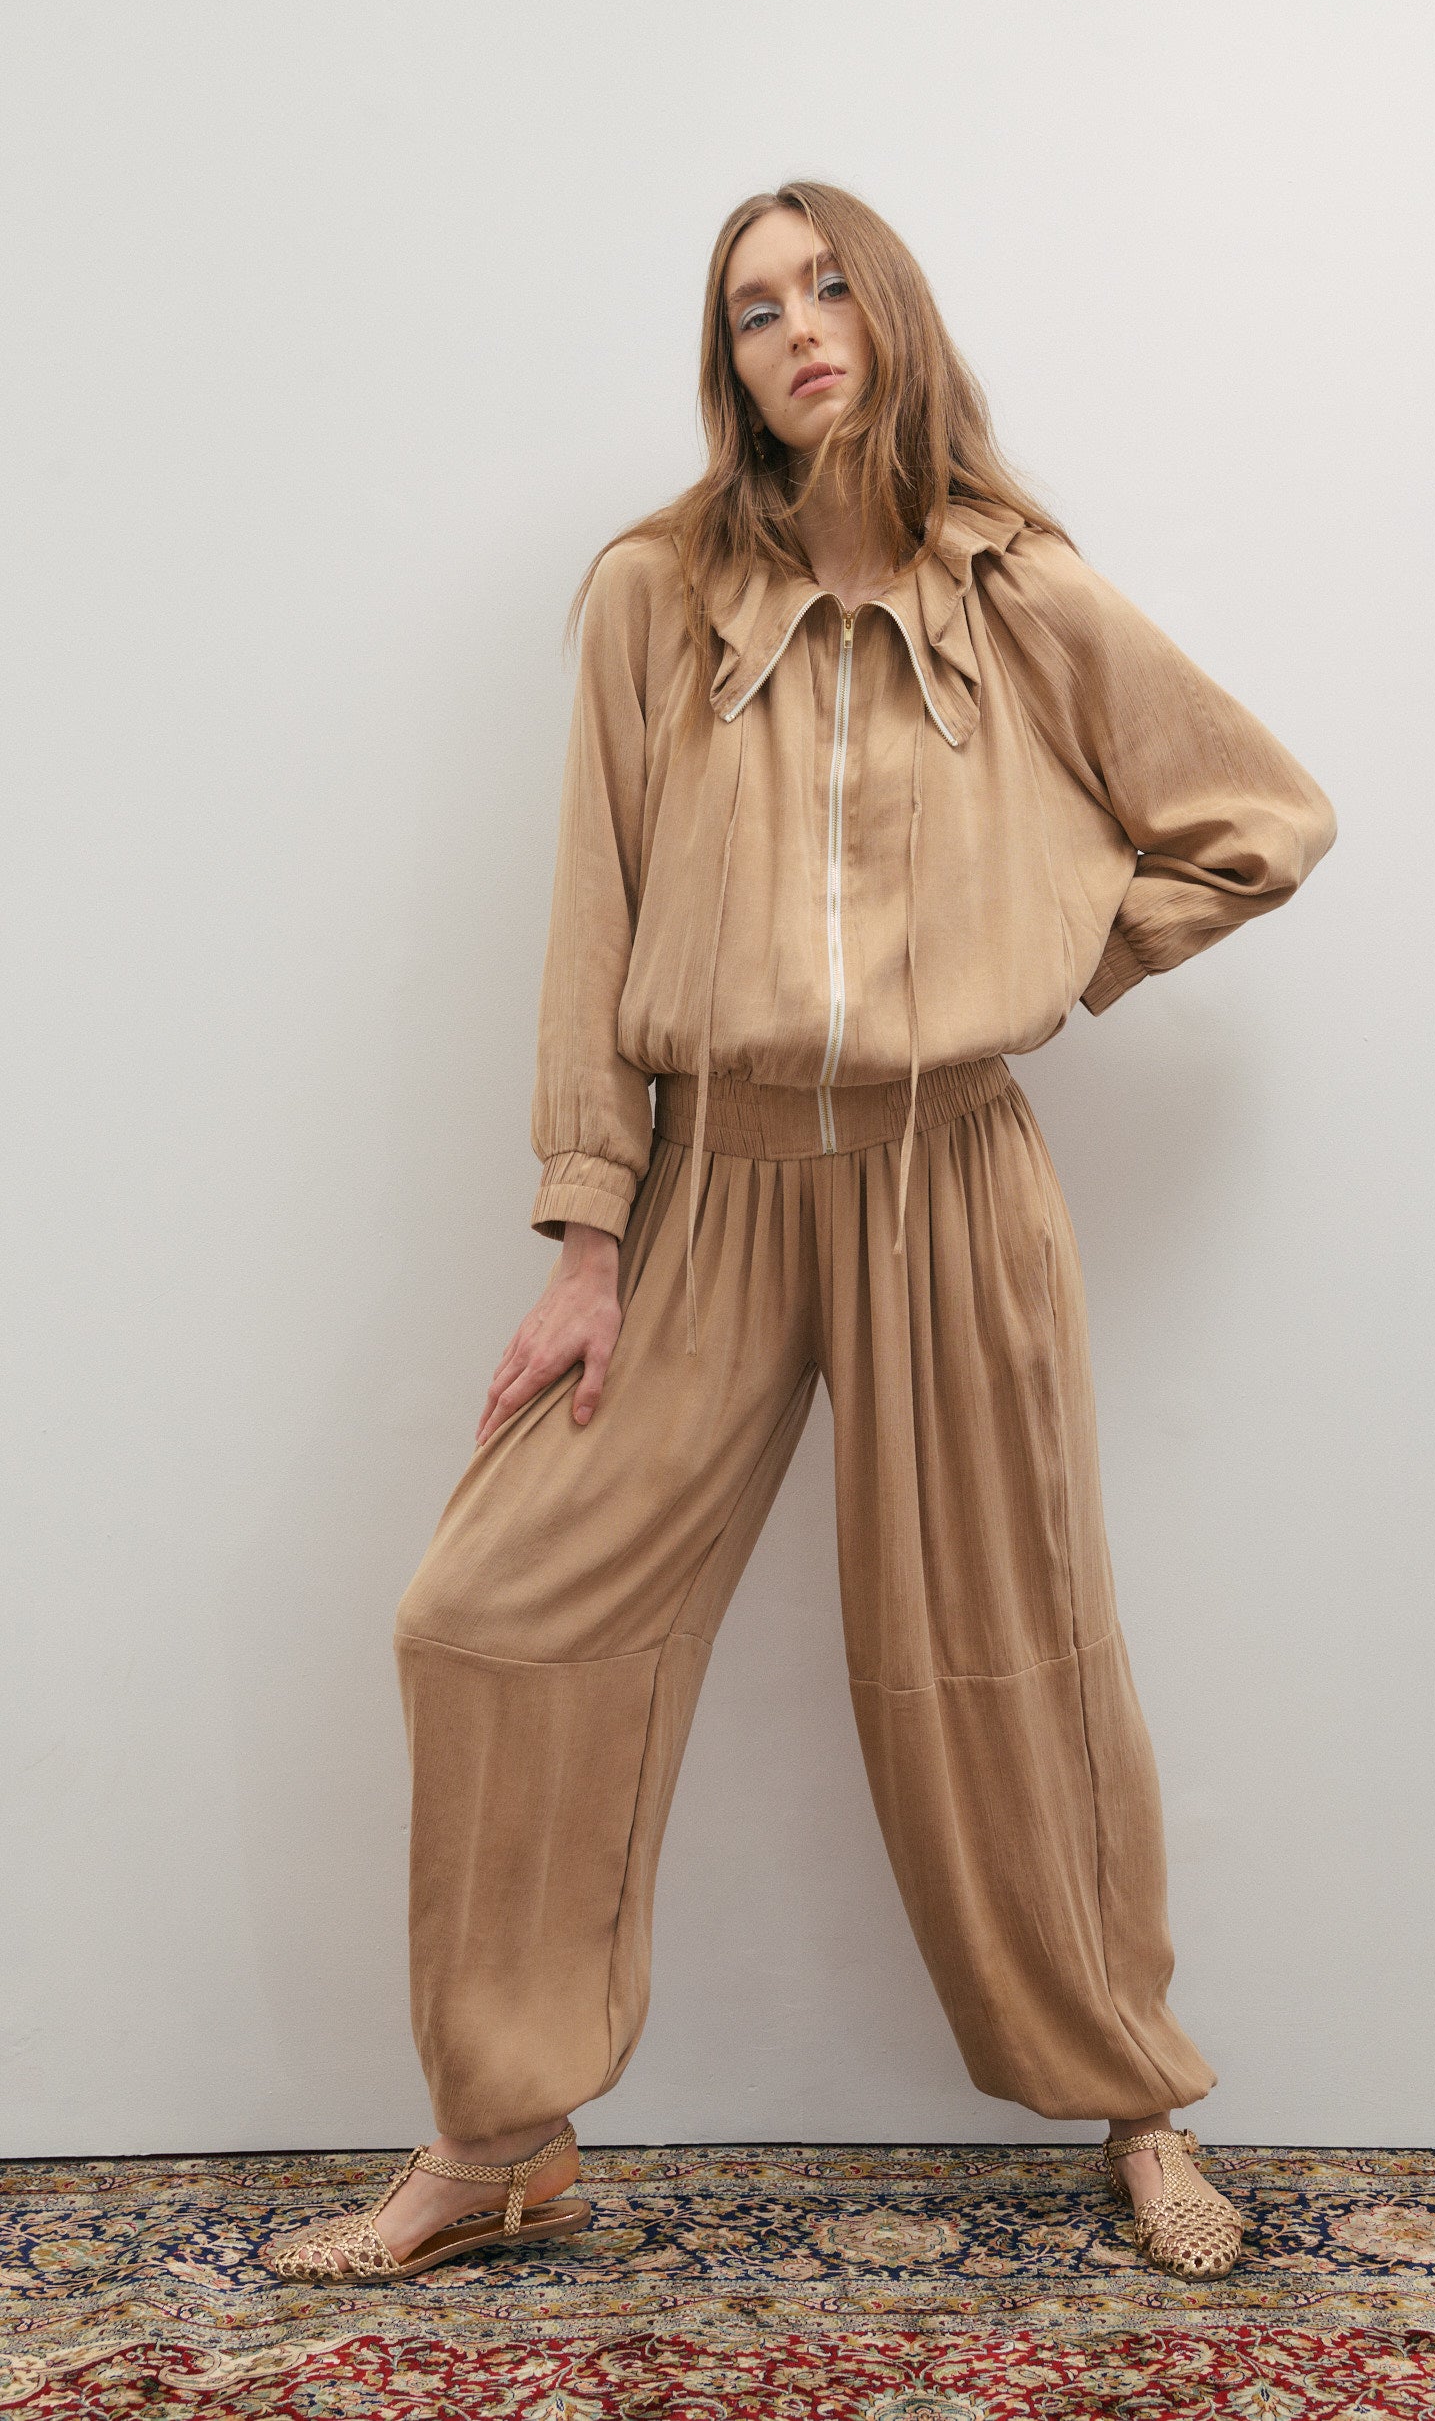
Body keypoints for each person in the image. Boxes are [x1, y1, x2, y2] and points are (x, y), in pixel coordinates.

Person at [263, 180, 1336, 2286]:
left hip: (954, 1173)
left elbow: (1259, 818)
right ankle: (496, 2134)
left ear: (893, 309)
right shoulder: (655, 596)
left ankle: (1141, 2103)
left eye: (829, 282)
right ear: (728, 360)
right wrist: (590, 1232)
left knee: (1017, 1643)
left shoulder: (1018, 587)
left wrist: (1057, 949)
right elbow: (595, 929)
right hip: (716, 1184)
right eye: (755, 308)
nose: (798, 327)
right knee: (487, 1613)